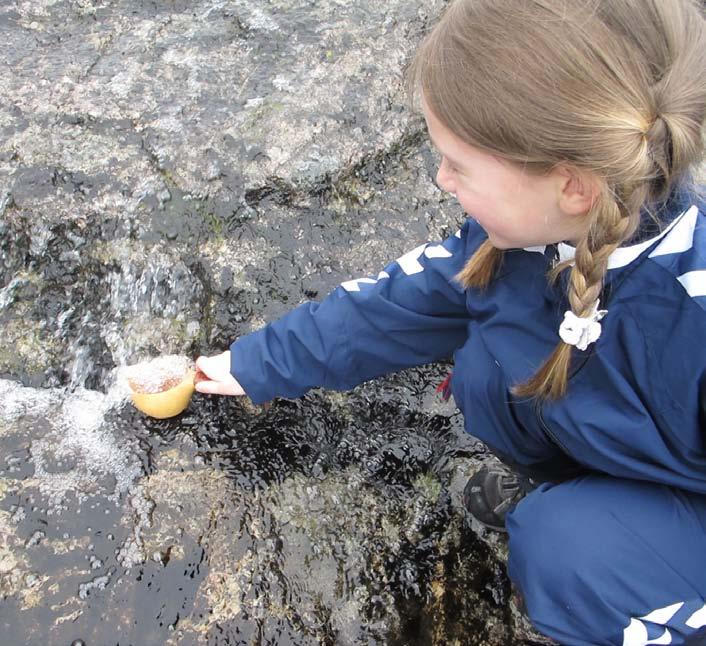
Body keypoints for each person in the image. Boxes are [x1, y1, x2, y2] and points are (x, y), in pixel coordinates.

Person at [193, 0, 706, 643]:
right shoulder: (523, 241)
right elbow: (390, 307)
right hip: (624, 451)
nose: (440, 179)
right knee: (486, 368)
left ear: (572, 185)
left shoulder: (692, 311)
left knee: (567, 554)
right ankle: (578, 492)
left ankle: (611, 551)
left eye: (458, 165)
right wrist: (253, 363)